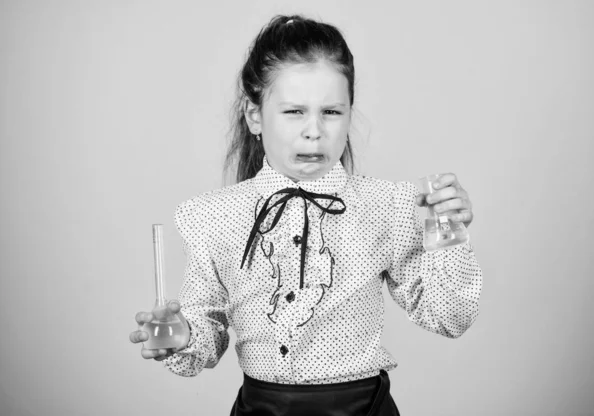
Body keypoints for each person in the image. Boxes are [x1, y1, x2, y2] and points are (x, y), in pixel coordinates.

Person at [129, 14, 482, 416]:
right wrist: (182, 335)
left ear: (350, 114)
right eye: (294, 112)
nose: (314, 131)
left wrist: (449, 231)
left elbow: (450, 318)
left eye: (331, 112)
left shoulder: (387, 206)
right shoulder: (214, 216)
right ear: (255, 116)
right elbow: (207, 331)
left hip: (363, 410)